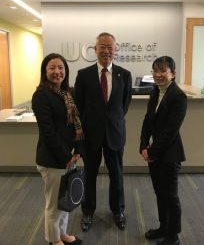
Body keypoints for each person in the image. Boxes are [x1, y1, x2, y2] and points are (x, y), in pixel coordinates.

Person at [74, 32, 132, 232]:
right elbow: (79, 106)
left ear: (115, 50)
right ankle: (88, 211)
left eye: (110, 47)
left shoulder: (124, 74)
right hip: (92, 135)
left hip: (115, 134)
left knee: (117, 175)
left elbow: (124, 105)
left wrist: (112, 121)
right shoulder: (83, 75)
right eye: (102, 47)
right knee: (89, 175)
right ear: (95, 49)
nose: (106, 51)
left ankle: (118, 211)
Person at [32, 53, 83, 245]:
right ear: (45, 72)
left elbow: (77, 124)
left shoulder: (68, 93)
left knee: (64, 201)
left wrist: (77, 149)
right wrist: (65, 156)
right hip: (52, 158)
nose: (57, 72)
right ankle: (54, 240)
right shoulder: (41, 96)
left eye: (60, 68)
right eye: (52, 68)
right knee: (53, 204)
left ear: (65, 71)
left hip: (68, 157)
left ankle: (62, 234)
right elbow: (48, 132)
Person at [140, 56, 187, 245]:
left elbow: (170, 131)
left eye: (163, 71)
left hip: (169, 154)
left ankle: (173, 235)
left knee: (170, 196)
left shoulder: (178, 97)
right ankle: (163, 227)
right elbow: (147, 120)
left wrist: (152, 152)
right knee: (160, 193)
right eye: (155, 70)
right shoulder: (155, 91)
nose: (158, 75)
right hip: (155, 152)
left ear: (173, 74)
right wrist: (143, 144)